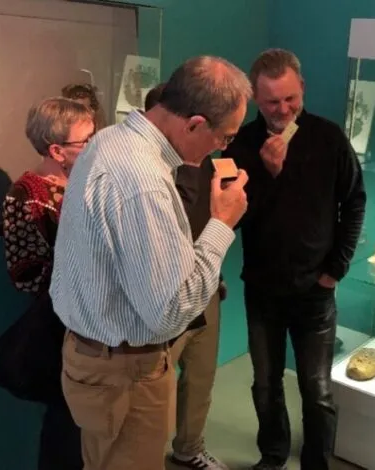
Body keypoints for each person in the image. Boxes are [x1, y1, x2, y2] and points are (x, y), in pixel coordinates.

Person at [49, 56, 252, 470]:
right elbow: (169, 314)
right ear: (194, 124)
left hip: (100, 358)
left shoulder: (110, 140)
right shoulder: (143, 181)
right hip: (124, 371)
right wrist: (221, 224)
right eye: (224, 137)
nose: (222, 148)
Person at [223, 48, 367, 470]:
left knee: (317, 390)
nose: (283, 109)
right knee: (265, 385)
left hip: (316, 290)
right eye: (272, 102)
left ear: (301, 87)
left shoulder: (328, 137)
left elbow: (354, 202)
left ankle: (317, 464)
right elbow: (229, 219)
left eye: (291, 98)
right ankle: (273, 456)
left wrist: (335, 269)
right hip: (263, 288)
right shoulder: (241, 144)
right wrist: (268, 175)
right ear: (254, 98)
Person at [0, 97, 96, 470]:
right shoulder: (24, 195)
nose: (94, 144)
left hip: (95, 319)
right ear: (56, 149)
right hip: (59, 326)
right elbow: (26, 274)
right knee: (66, 425)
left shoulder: (86, 180)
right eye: (85, 140)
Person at [142, 82, 229, 470]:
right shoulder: (150, 173)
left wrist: (214, 274)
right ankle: (146, 457)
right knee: (156, 386)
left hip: (206, 286)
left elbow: (215, 221)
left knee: (201, 375)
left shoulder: (210, 159)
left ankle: (189, 447)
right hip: (166, 296)